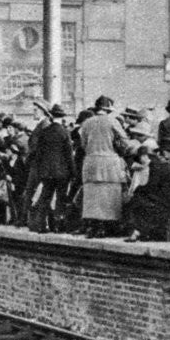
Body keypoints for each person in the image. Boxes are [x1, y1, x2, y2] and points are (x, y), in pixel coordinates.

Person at [78, 96, 129, 238]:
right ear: (108, 109)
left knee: (92, 195)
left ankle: (93, 226)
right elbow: (125, 142)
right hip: (109, 162)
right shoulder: (113, 121)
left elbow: (83, 144)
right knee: (108, 195)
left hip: (90, 162)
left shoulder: (86, 123)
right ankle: (106, 227)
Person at [29, 104, 76, 233]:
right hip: (62, 171)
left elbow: (38, 153)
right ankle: (57, 225)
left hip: (46, 171)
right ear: (62, 117)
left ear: (51, 116)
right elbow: (69, 154)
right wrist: (73, 172)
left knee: (45, 197)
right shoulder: (64, 132)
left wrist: (40, 170)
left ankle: (41, 225)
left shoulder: (44, 132)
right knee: (60, 198)